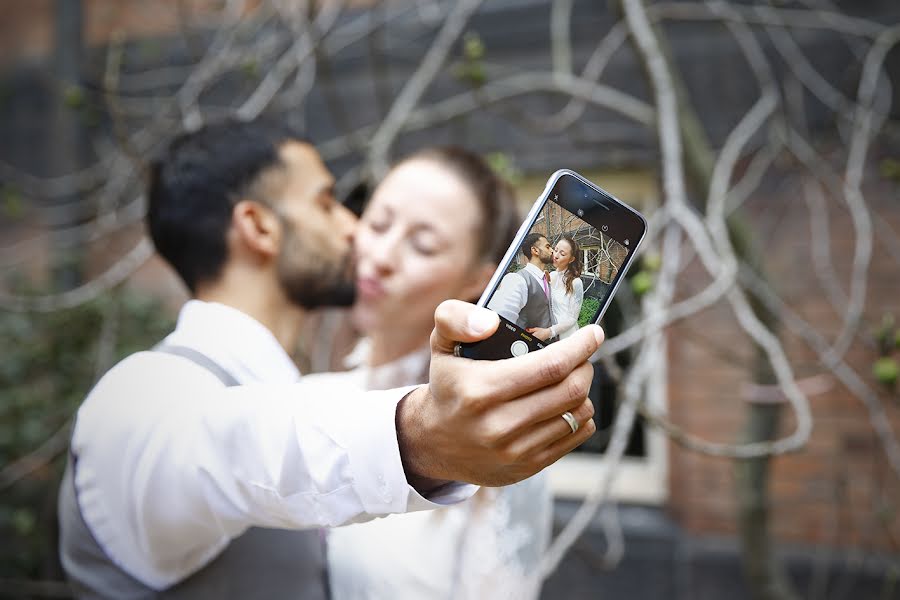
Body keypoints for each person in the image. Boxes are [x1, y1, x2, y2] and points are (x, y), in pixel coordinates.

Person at [57, 120, 602, 599]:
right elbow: (232, 450)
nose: (355, 232)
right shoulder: (140, 398)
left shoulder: (302, 399)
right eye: (326, 203)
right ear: (259, 227)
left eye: (423, 242)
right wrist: (421, 437)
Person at [307, 147, 550, 599]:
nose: (380, 255)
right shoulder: (305, 398)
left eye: (422, 245)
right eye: (377, 224)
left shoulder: (486, 438)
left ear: (478, 279)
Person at [487, 232, 557, 341]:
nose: (552, 250)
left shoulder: (545, 278)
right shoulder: (516, 280)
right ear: (535, 250)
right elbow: (497, 323)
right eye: (547, 247)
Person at [529, 236, 584, 342]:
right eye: (556, 250)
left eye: (562, 254)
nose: (556, 255)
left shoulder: (576, 282)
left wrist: (549, 332)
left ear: (571, 259)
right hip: (547, 327)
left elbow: (572, 319)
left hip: (565, 335)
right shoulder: (552, 275)